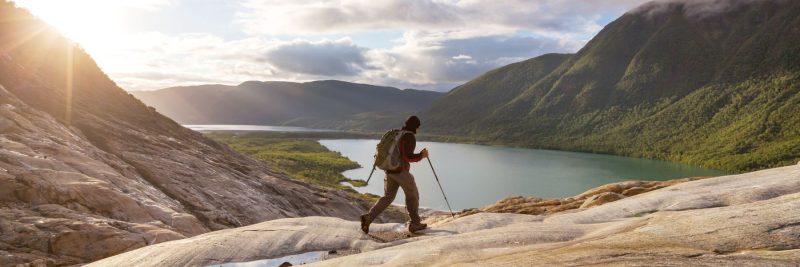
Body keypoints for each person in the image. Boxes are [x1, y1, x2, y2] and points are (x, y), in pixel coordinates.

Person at [361, 115, 429, 233]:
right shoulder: (409, 136)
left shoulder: (398, 134)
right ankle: (415, 224)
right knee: (413, 195)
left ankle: (368, 217)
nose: (419, 129)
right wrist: (421, 155)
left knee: (387, 197)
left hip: (389, 171)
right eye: (418, 127)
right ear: (415, 126)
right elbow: (407, 157)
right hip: (400, 171)